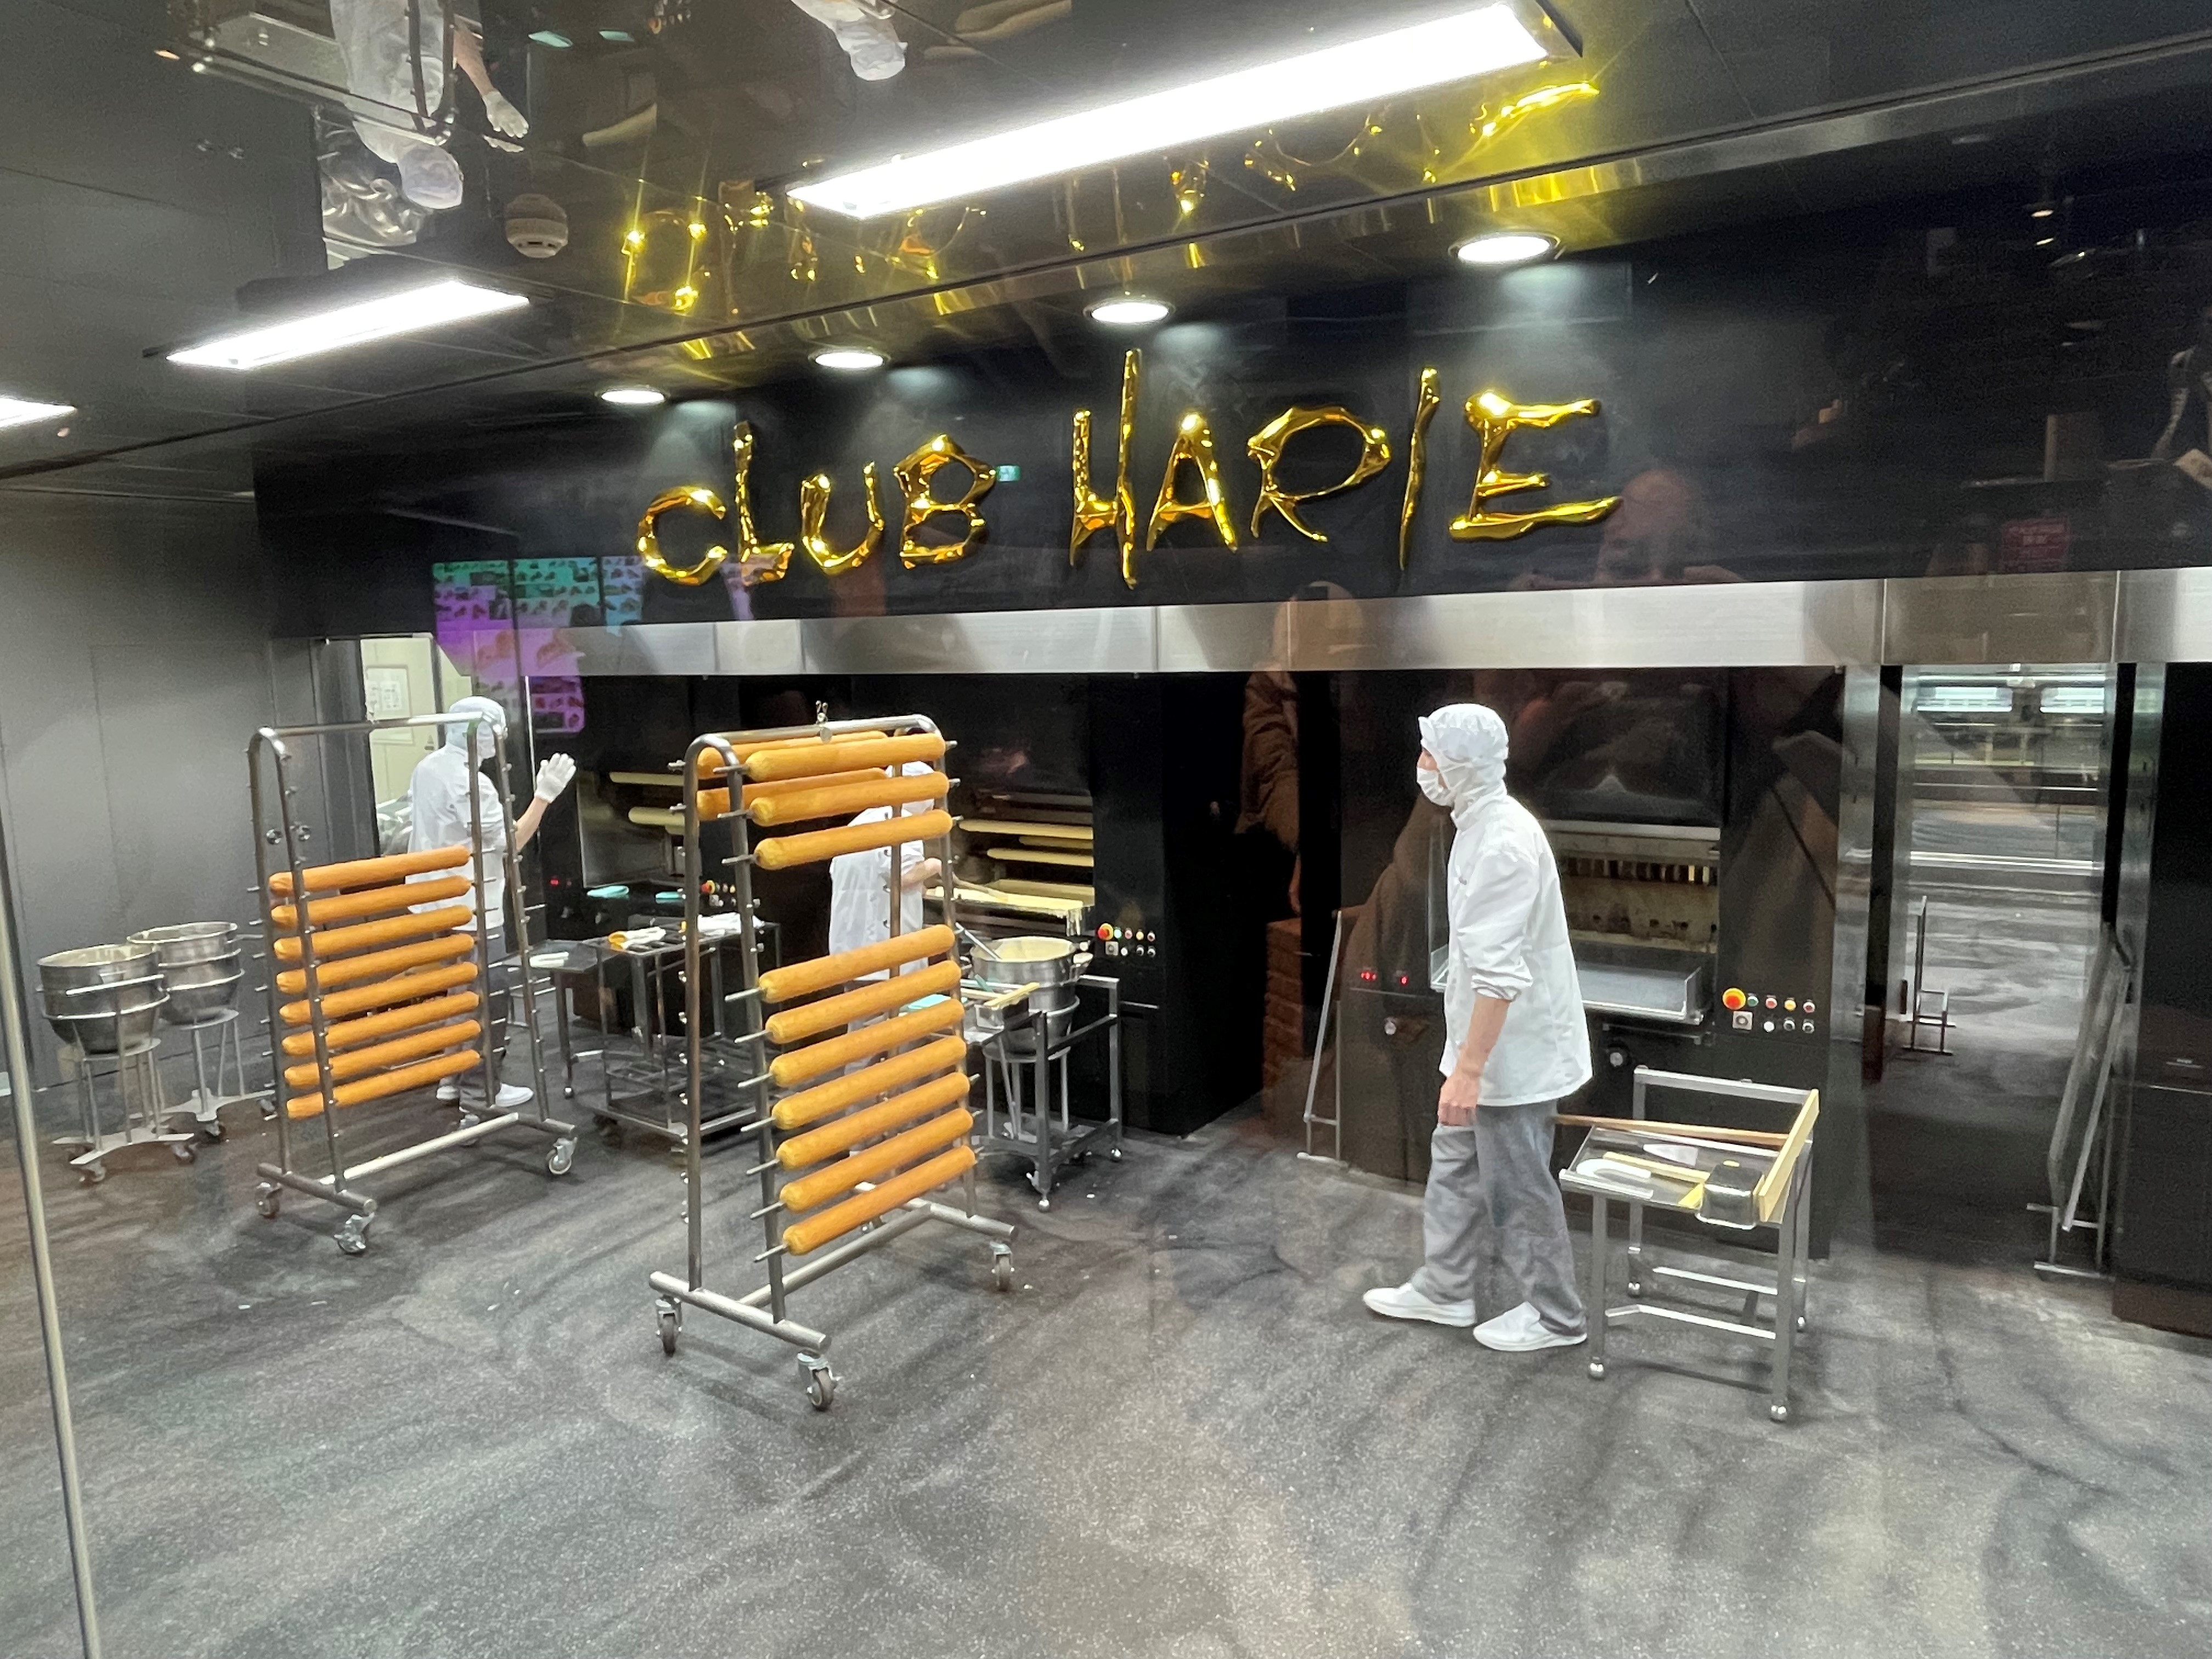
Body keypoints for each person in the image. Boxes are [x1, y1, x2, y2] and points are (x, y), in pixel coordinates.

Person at [1362, 703, 1592, 1352]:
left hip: (1511, 1057)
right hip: (1482, 1046)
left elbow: (1499, 977)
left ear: (1461, 766)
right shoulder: (1476, 823)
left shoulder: (1502, 844)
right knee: (1456, 1165)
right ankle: (1446, 1288)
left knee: (1518, 1185)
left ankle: (1557, 1316)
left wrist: (1469, 1071)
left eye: (1431, 754)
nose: (1422, 766)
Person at [408, 696, 574, 1109]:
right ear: (481, 735)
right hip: (472, 906)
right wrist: (544, 796)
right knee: (486, 997)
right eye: (495, 732)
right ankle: (480, 1089)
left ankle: (452, 1076)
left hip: (433, 903)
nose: (498, 740)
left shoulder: (428, 767)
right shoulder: (472, 781)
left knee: (458, 993)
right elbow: (510, 843)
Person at [826, 760, 943, 968]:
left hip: (846, 950)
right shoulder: (903, 822)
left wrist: (919, 888)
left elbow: (868, 877)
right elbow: (903, 876)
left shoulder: (859, 822)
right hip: (885, 952)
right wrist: (935, 866)